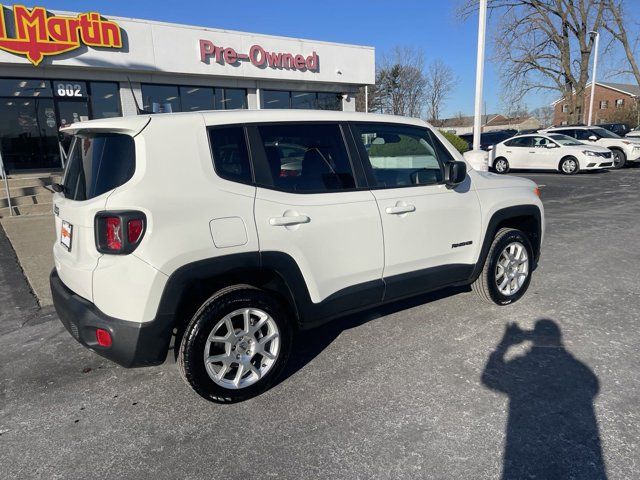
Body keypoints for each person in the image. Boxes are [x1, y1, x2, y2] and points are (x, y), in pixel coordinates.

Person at [482, 319, 606, 479]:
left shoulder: (520, 364)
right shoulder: (580, 369)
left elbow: (489, 379)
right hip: (569, 447)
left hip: (525, 449)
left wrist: (504, 344)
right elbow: (593, 388)